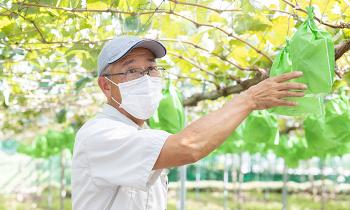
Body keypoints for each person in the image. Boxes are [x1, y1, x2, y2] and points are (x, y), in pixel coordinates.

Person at [72, 36, 306, 210]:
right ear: (105, 86)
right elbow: (188, 146)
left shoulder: (140, 132)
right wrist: (249, 99)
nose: (145, 78)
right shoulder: (100, 134)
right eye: (131, 70)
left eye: (151, 68)